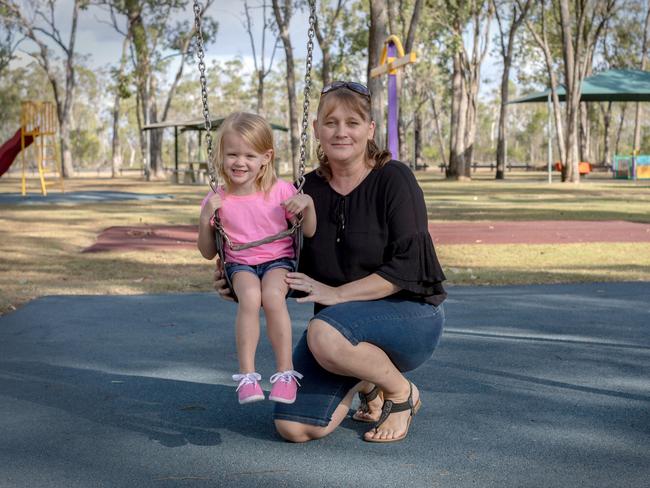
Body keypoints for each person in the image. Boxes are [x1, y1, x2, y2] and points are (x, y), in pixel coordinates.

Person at [213, 82, 446, 443]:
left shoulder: (393, 179)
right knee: (294, 427)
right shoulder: (304, 192)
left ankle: (401, 394)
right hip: (340, 330)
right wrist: (237, 278)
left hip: (408, 316)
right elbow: (283, 262)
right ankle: (367, 381)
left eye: (352, 122)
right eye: (331, 122)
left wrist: (337, 294)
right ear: (317, 130)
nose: (341, 132)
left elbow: (409, 266)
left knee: (323, 332)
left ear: (370, 130)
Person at [198, 112, 316, 405]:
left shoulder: (282, 191)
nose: (240, 162)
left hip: (279, 261)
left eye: (250, 155)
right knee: (250, 297)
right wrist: (204, 219)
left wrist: (308, 205)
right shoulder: (217, 199)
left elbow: (309, 231)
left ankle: (285, 374)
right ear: (221, 156)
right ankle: (248, 377)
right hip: (239, 263)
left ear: (266, 157)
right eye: (232, 154)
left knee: (273, 296)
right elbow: (208, 251)